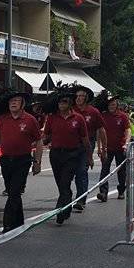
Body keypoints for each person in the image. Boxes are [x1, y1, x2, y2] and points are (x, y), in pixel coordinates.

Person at [0, 90, 41, 232]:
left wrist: (37, 162)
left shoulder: (30, 119)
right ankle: (19, 221)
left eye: (16, 100)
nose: (13, 103)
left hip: (23, 160)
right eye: (11, 101)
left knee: (14, 191)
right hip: (6, 160)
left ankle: (8, 223)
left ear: (22, 104)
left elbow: (39, 141)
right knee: (11, 190)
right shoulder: (3, 119)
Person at [41, 89, 89, 225]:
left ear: (70, 103)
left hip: (72, 154)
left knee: (65, 182)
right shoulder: (52, 118)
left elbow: (85, 139)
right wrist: (38, 142)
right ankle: (66, 207)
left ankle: (60, 211)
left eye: (65, 102)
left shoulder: (78, 118)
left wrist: (89, 156)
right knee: (61, 185)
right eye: (60, 102)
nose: (61, 104)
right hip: (56, 154)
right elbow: (46, 136)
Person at [72, 87, 106, 211]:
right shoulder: (71, 110)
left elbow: (101, 129)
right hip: (71, 144)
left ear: (86, 98)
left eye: (81, 96)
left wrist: (103, 148)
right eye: (77, 96)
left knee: (81, 171)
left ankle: (81, 200)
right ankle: (65, 198)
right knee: (69, 173)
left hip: (86, 144)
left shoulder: (93, 112)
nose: (79, 98)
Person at [97, 97, 131, 202]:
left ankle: (121, 190)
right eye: (110, 104)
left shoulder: (122, 116)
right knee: (104, 170)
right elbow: (99, 132)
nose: (111, 106)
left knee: (121, 170)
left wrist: (126, 143)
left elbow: (128, 130)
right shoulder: (103, 116)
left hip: (120, 147)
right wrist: (99, 147)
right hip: (107, 148)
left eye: (113, 104)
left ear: (116, 105)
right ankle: (103, 192)